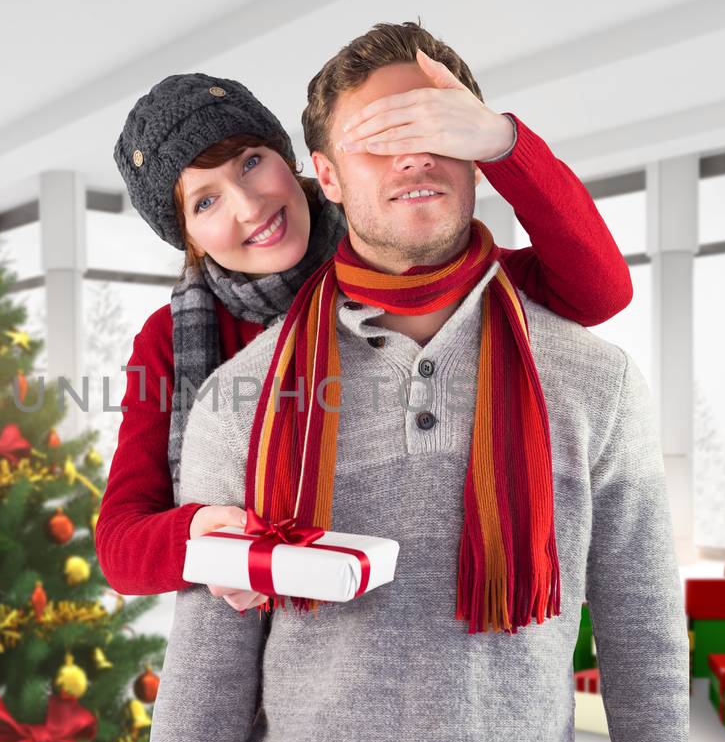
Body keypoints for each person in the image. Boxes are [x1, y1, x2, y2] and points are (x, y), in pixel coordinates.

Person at [147, 22, 688, 742]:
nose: (412, 154)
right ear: (327, 178)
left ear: (476, 149)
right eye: (377, 137)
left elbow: (644, 637)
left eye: (436, 126)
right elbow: (205, 683)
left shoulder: (596, 379)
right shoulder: (242, 402)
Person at [96, 59, 634, 612]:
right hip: (286, 640)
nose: (249, 205)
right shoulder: (171, 340)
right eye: (205, 201)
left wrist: (502, 144)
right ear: (189, 238)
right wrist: (204, 537)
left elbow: (599, 292)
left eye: (251, 162)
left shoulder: (401, 263)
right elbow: (120, 544)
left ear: (294, 161)